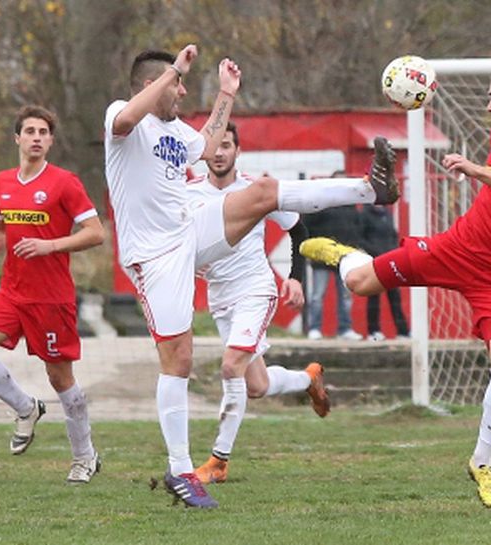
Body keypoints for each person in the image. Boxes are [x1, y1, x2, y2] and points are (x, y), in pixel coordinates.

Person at [104, 44, 397, 508]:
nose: (181, 91)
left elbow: (203, 145)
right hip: (153, 256)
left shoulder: (175, 128)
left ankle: (370, 188)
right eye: (177, 84)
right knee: (177, 359)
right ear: (150, 84)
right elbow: (124, 122)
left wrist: (225, 94)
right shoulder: (122, 115)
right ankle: (181, 469)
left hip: (189, 236)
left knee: (262, 192)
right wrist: (174, 69)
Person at [301, 66, 491, 509]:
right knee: (358, 281)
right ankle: (339, 251)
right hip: (459, 248)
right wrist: (425, 88)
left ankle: (482, 461)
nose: (487, 105)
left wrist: (476, 170)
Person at [0, 105, 105, 483]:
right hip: (12, 292)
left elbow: (96, 232)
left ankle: (84, 456)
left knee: (61, 379)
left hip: (51, 298)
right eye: (30, 131)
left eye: (43, 132)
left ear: (51, 141)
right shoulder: (3, 182)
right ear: (18, 138)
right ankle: (26, 408)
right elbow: (1, 226)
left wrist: (50, 246)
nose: (37, 137)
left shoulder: (65, 183)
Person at [185, 121, 331, 485]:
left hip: (254, 290)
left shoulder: (254, 190)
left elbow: (298, 229)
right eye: (214, 146)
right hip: (220, 299)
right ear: (205, 152)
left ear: (237, 151)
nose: (219, 152)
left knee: (231, 366)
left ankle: (218, 460)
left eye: (227, 145)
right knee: (257, 386)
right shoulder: (187, 194)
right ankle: (307, 379)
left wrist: (295, 276)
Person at [303, 201, 364, 341]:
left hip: (344, 256)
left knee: (345, 295)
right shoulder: (319, 204)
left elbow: (358, 228)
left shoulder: (350, 206)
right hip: (321, 257)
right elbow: (306, 226)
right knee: (317, 295)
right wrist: (311, 249)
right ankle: (314, 328)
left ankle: (345, 329)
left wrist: (354, 248)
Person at [359, 204, 409, 340]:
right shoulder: (364, 214)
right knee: (374, 297)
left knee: (395, 298)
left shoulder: (387, 214)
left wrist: (393, 252)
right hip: (374, 262)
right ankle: (373, 331)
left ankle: (403, 331)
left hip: (390, 263)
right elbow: (361, 239)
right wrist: (376, 253)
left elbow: (393, 235)